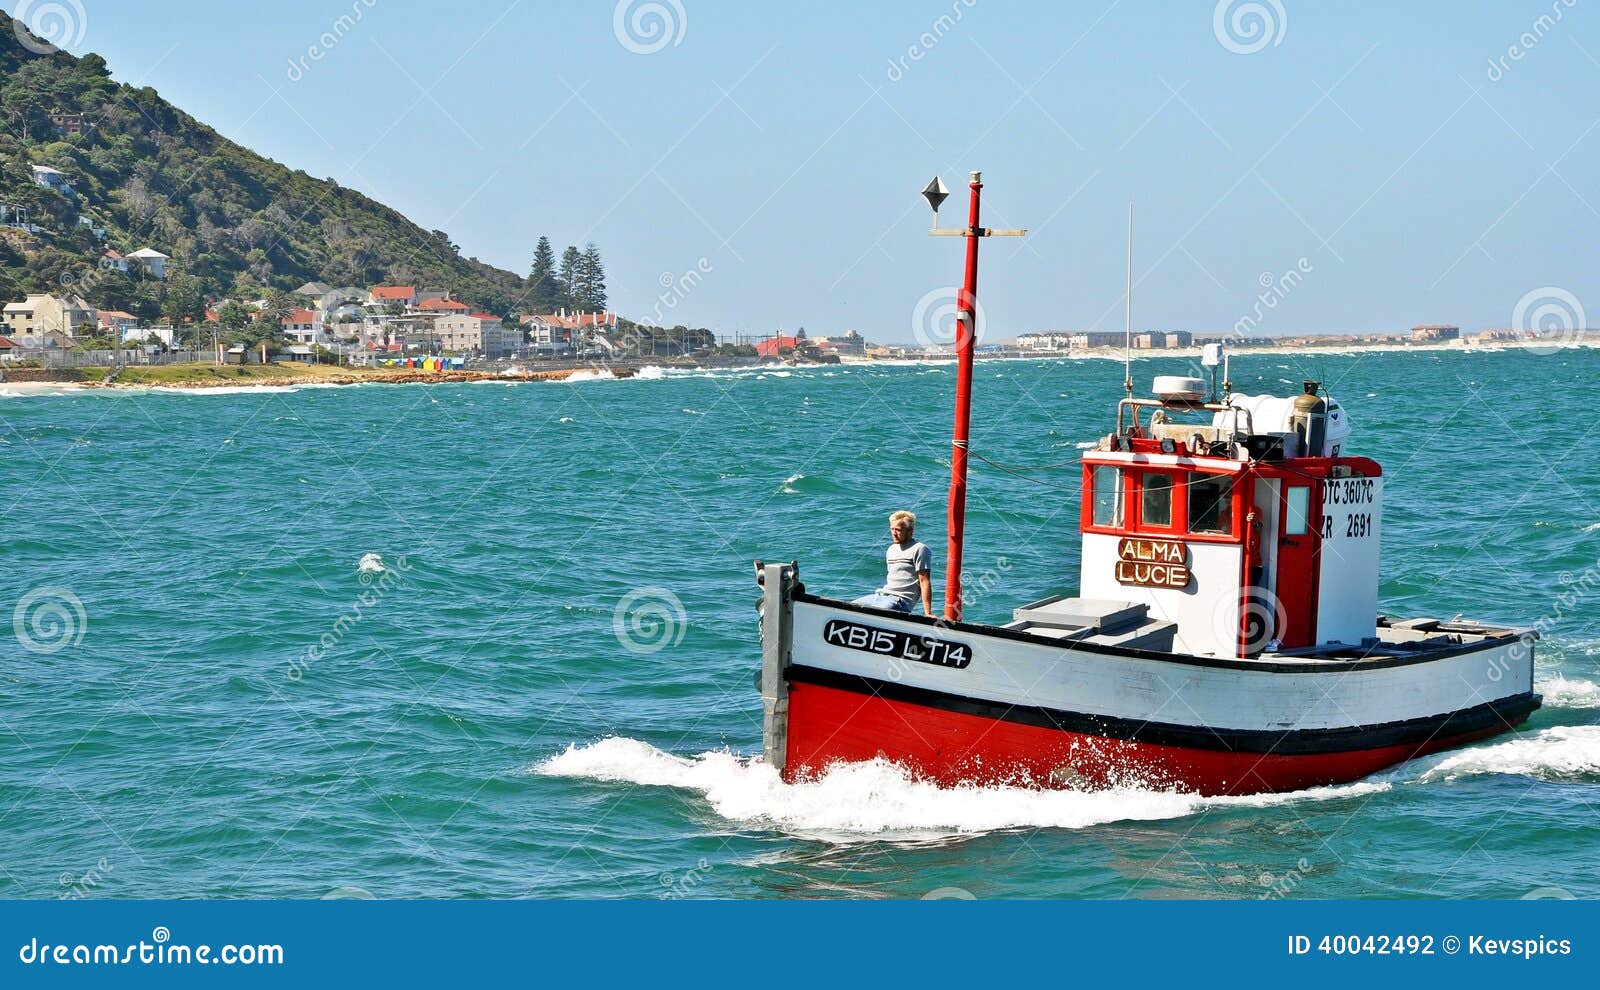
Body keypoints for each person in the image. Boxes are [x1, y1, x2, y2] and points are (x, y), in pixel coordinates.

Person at [853, 511, 933, 615]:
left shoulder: (919, 549)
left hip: (900, 602)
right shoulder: (891, 549)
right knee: (848, 608)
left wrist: (928, 613)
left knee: (878, 612)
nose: (894, 533)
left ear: (910, 531)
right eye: (892, 529)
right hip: (880, 596)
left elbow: (924, 581)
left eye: (898, 530)